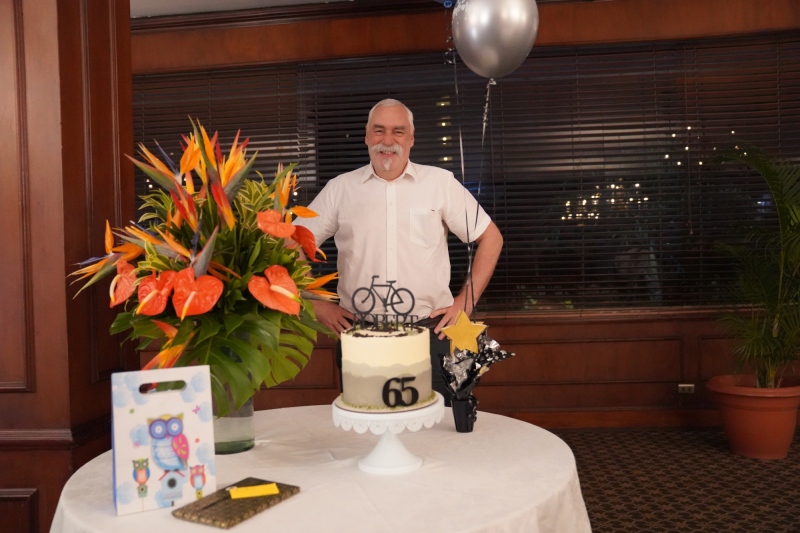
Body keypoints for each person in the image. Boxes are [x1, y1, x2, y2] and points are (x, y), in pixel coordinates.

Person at [295, 98, 503, 398]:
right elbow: (292, 243)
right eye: (379, 131)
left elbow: (490, 238)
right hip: (361, 335)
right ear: (367, 136)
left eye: (398, 131)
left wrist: (465, 302)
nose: (388, 140)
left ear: (412, 138)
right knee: (366, 433)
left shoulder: (440, 183)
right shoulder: (340, 189)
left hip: (433, 334)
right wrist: (314, 303)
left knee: (437, 435)